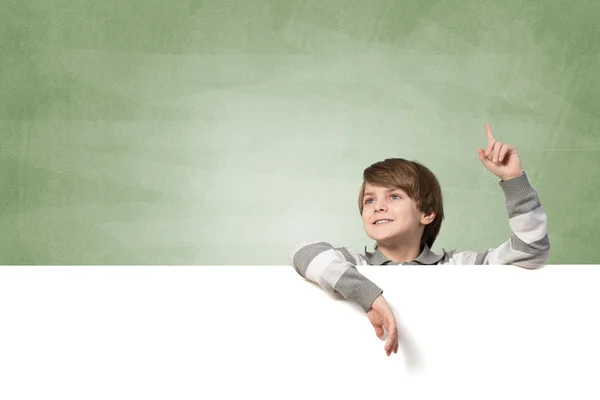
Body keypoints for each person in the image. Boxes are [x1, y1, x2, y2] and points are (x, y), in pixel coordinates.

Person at [288, 124, 550, 356]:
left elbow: (530, 249)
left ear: (427, 213)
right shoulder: (355, 264)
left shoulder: (459, 266)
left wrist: (513, 180)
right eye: (370, 200)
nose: (378, 206)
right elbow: (304, 252)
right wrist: (367, 295)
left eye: (394, 197)